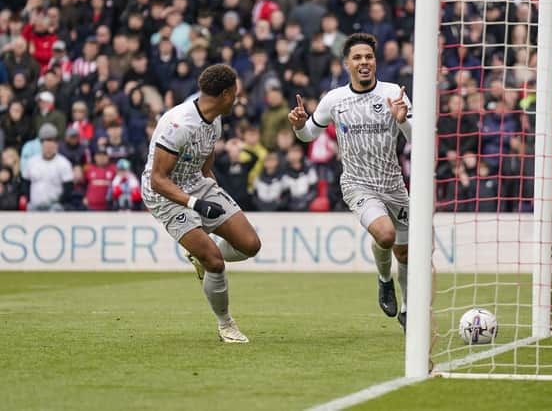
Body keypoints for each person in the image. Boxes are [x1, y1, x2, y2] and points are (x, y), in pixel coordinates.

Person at [288, 33, 412, 331]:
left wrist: (402, 120)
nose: (364, 62)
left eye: (368, 57)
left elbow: (417, 138)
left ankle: (407, 309)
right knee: (385, 235)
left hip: (393, 184)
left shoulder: (394, 92)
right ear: (347, 64)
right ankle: (384, 280)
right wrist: (297, 126)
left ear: (375, 61)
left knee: (406, 252)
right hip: (357, 183)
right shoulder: (334, 99)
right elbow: (308, 136)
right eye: (357, 58)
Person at [141, 64, 261, 343]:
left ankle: (200, 255)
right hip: (163, 194)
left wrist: (213, 191)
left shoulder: (215, 118)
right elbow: (158, 180)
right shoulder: (179, 125)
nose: (238, 99)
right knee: (215, 262)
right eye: (236, 94)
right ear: (227, 93)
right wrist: (196, 204)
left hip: (196, 183)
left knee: (250, 245)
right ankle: (226, 325)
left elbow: (205, 163)